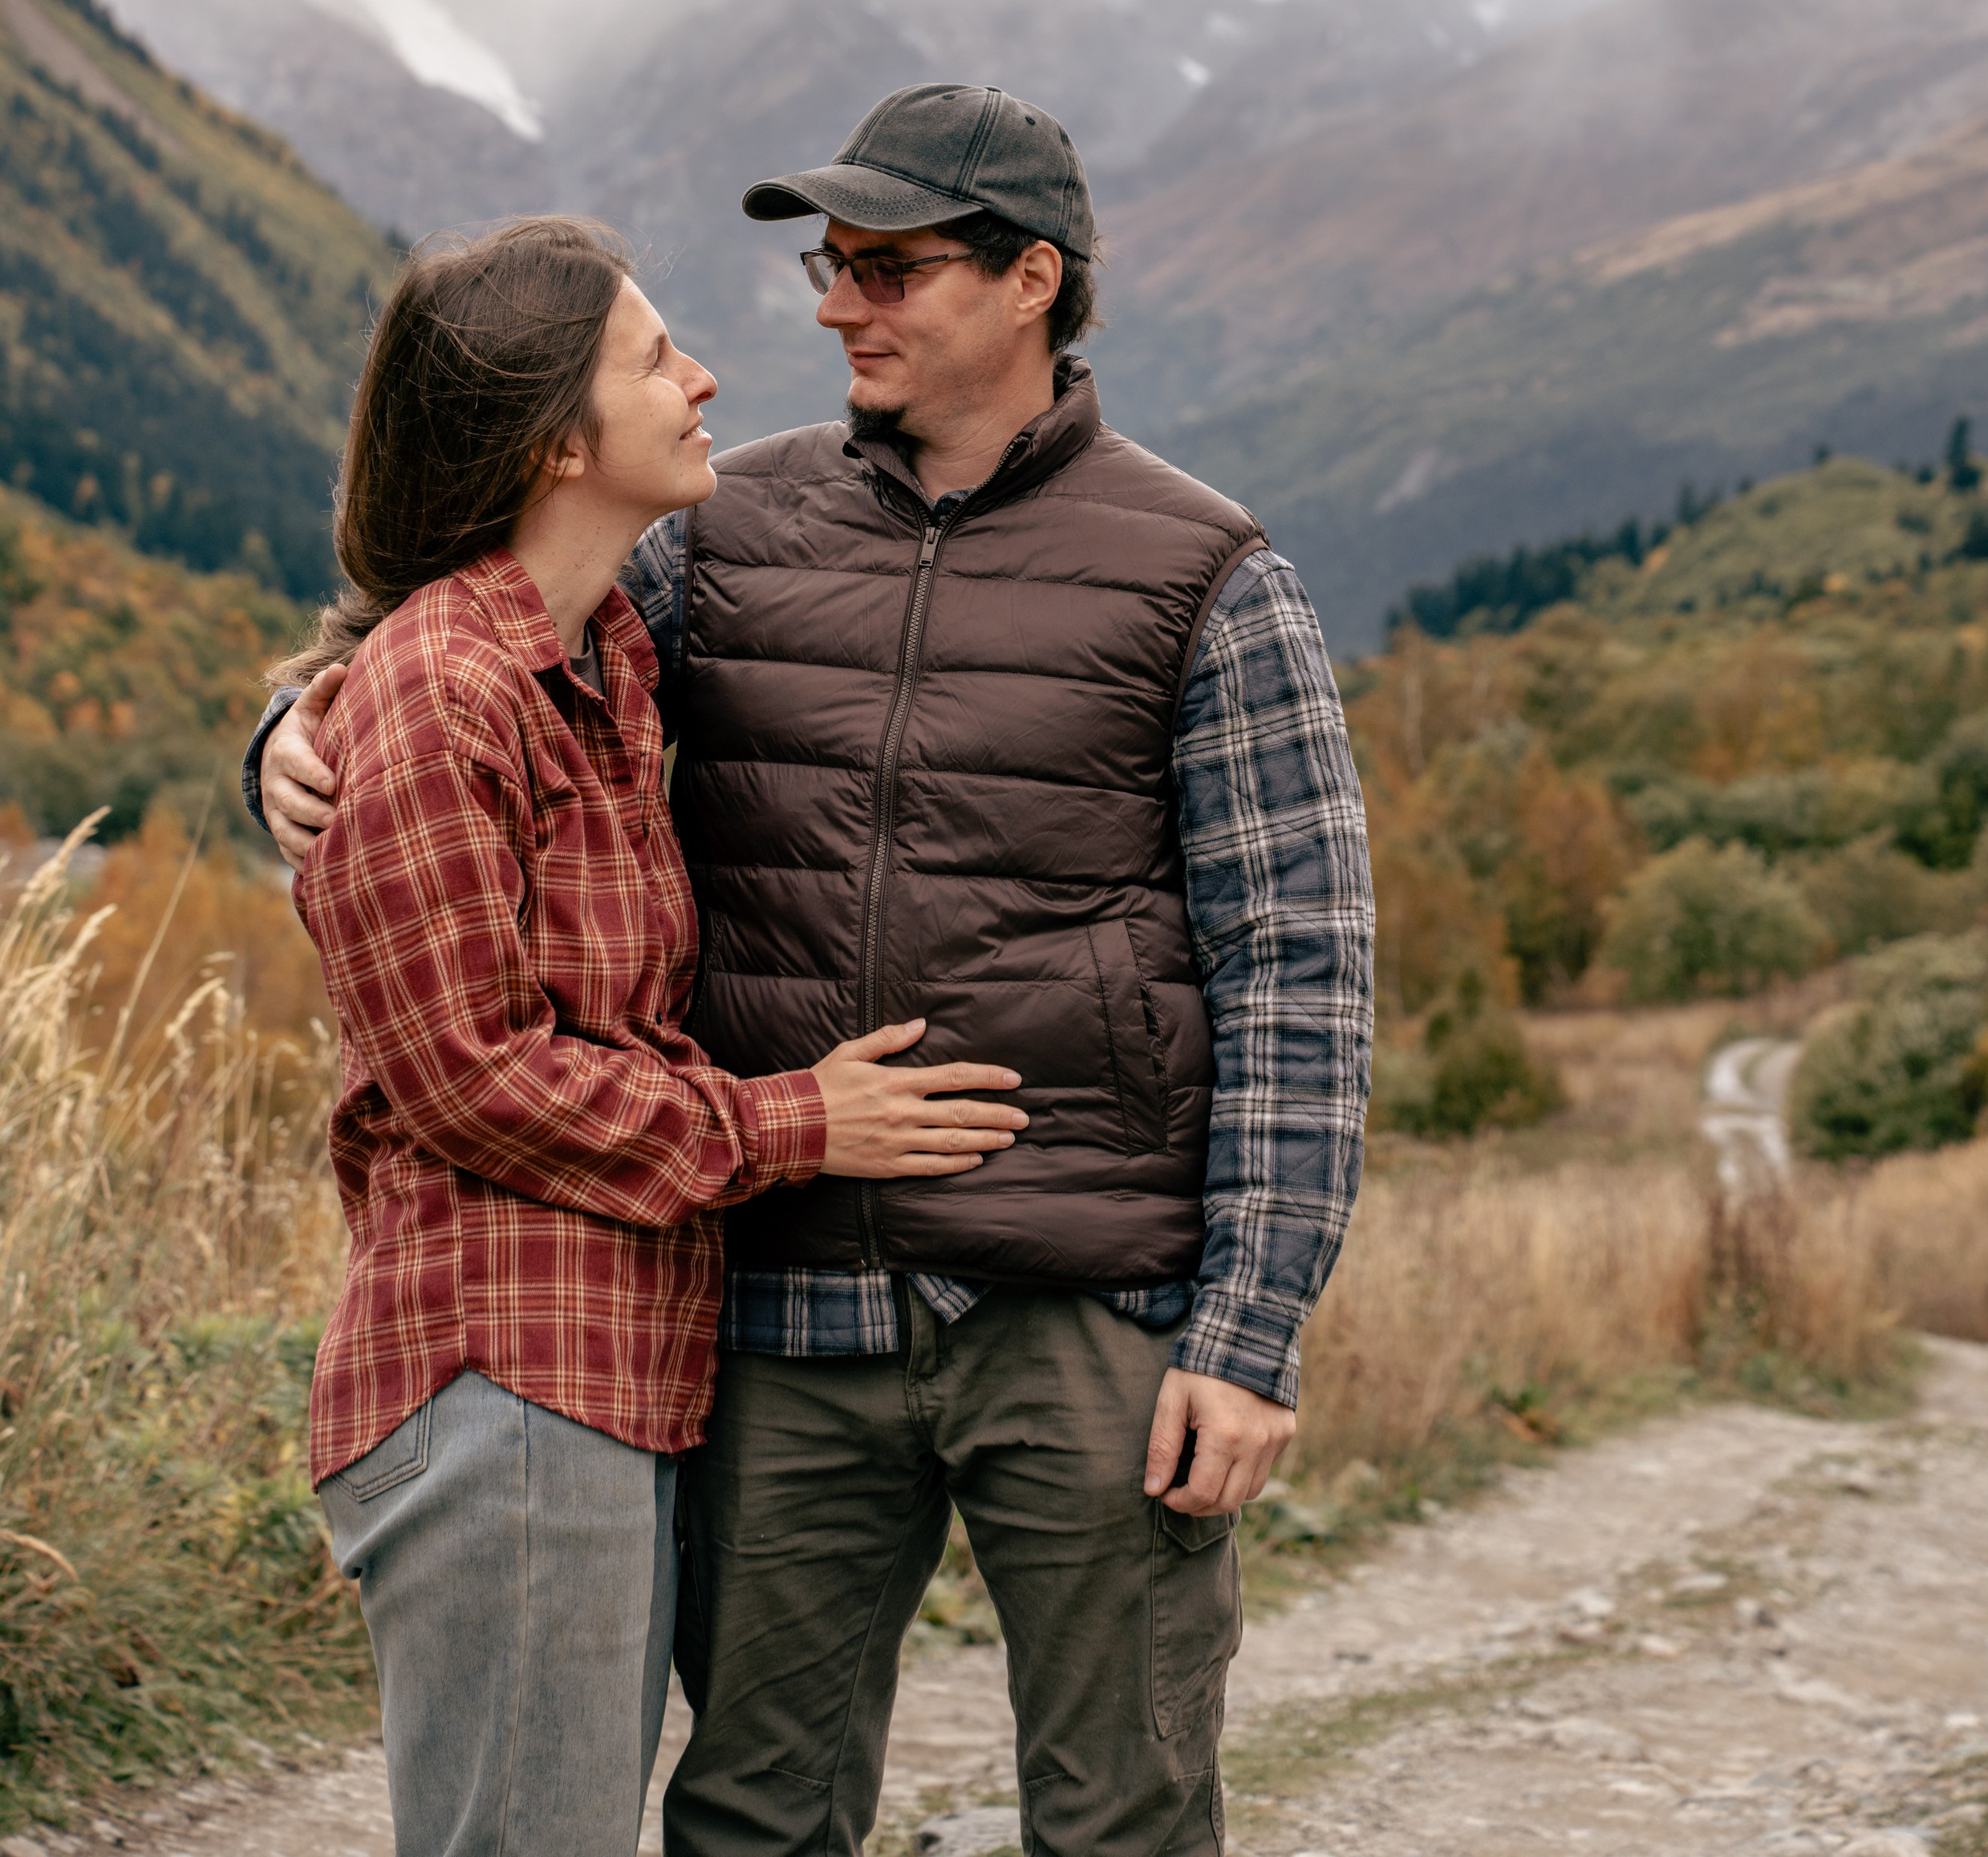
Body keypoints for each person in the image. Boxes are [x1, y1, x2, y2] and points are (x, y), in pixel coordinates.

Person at [255, 95, 1375, 1857]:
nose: (834, 302)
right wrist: (282, 736)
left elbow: (1299, 972)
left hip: (1082, 1311)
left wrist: (1249, 1333)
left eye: (885, 266)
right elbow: (464, 645)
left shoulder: (1205, 576)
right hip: (778, 1316)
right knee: (755, 1815)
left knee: (1124, 1813)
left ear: (1028, 282)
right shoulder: (725, 534)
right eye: (824, 263)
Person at [277, 213, 1027, 1857]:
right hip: (502, 1377)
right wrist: (791, 1128)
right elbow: (468, 1076)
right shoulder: (441, 695)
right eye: (650, 359)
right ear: (556, 437)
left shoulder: (601, 652)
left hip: (606, 1375)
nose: (701, 380)